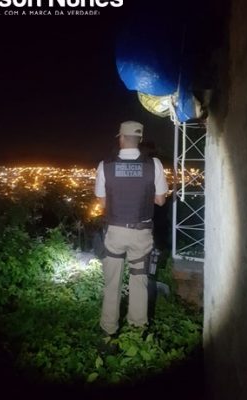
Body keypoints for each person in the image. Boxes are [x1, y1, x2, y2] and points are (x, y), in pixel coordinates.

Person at [95, 121, 169, 338]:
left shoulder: (105, 165)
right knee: (139, 281)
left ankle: (109, 331)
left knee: (112, 283)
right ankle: (137, 332)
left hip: (116, 232)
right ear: (140, 139)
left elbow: (101, 203)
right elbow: (161, 200)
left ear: (121, 138)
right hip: (141, 233)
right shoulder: (153, 164)